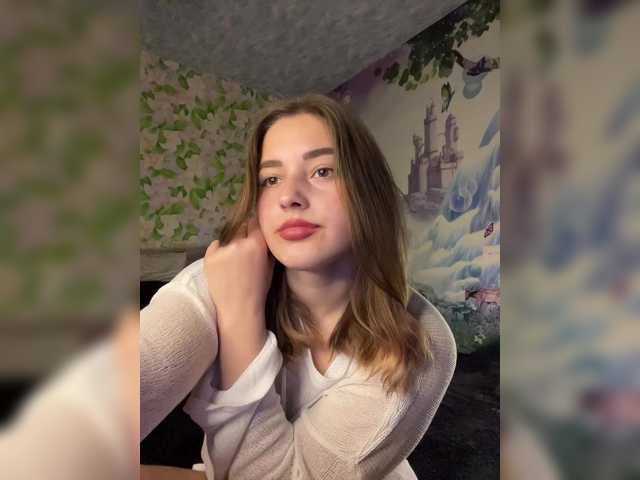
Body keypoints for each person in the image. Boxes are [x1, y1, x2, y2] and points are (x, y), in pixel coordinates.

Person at [140, 94, 456, 479]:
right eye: (271, 179)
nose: (288, 197)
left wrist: (240, 318)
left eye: (322, 171)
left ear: (369, 192)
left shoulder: (422, 340)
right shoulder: (217, 279)